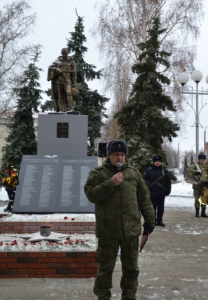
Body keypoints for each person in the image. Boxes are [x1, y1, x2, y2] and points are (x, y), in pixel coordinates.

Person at [84, 139, 155, 300]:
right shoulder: (99, 173)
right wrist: (111, 183)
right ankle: (103, 297)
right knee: (105, 269)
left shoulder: (133, 173)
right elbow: (91, 194)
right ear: (109, 155)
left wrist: (150, 219)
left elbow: (144, 198)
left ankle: (129, 296)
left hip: (130, 232)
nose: (120, 158)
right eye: (116, 154)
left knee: (131, 269)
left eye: (122, 154)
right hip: (108, 232)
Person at [47, 48, 78, 112]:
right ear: (61, 53)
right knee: (59, 96)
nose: (64, 55)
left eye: (65, 53)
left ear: (67, 53)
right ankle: (61, 110)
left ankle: (71, 108)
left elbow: (74, 73)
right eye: (63, 53)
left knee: (69, 93)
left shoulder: (71, 62)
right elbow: (50, 68)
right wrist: (57, 70)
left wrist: (74, 82)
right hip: (59, 81)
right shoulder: (58, 61)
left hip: (67, 81)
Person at [144, 155, 172, 226]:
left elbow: (168, 181)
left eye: (159, 161)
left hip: (161, 193)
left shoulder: (164, 171)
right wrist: (149, 185)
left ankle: (159, 221)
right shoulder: (149, 170)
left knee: (160, 208)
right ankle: (151, 221)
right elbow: (145, 179)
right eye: (156, 161)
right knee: (151, 208)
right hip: (152, 192)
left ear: (161, 162)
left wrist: (168, 190)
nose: (157, 162)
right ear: (153, 162)